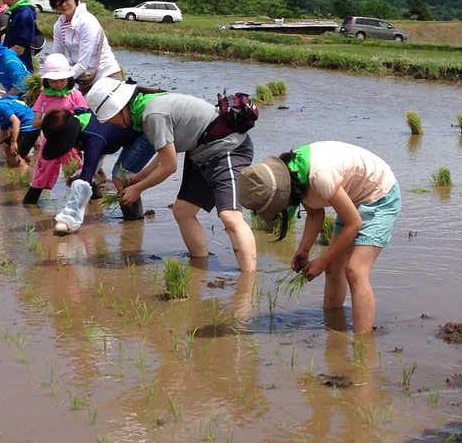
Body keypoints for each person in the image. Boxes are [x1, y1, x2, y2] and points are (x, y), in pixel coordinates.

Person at [91, 82, 257, 272]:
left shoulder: (152, 115)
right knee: (183, 211)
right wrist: (139, 178)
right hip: (201, 151)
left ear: (121, 108)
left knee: (230, 216)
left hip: (228, 147)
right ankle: (199, 268)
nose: (113, 124)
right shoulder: (147, 107)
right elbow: (167, 154)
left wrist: (138, 189)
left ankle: (247, 287)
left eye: (111, 119)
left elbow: (169, 167)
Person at [237, 144, 401, 333]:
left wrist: (321, 261)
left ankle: (363, 344)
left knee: (355, 270)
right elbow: (315, 214)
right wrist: (303, 250)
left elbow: (353, 224)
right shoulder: (294, 172)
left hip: (380, 195)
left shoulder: (318, 176)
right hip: (354, 198)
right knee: (333, 268)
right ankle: (334, 328)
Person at [21, 52, 88, 206]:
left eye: (61, 80)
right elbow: (36, 121)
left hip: (69, 141)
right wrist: (41, 122)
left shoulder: (74, 94)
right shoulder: (44, 96)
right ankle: (30, 201)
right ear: (46, 81)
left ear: (69, 79)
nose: (58, 84)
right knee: (44, 168)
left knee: (75, 170)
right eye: (53, 81)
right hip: (49, 140)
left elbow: (85, 116)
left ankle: (88, 199)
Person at [50, 0, 121, 91]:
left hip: (105, 76)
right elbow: (56, 56)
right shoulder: (59, 25)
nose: (63, 4)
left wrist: (58, 81)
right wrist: (49, 76)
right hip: (82, 78)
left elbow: (83, 64)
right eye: (59, 0)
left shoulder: (86, 21)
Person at [0, 0, 39, 70]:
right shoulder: (17, 11)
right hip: (13, 66)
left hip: (20, 70)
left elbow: (19, 49)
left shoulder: (24, 14)